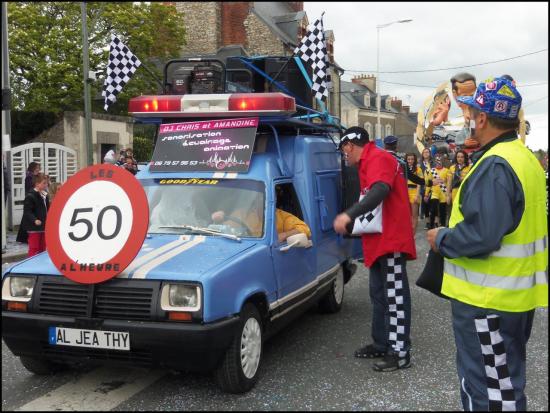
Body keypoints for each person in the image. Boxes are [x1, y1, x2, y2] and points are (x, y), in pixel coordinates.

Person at [427, 77, 547, 411]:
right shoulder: (523, 159)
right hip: (511, 299)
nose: (468, 119)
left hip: (487, 301)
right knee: (503, 386)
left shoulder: (495, 165)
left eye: (472, 113)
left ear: (482, 118)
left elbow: (483, 235)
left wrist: (443, 238)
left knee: (488, 392)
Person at [333, 126, 416, 372]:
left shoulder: (378, 157)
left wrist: (348, 215)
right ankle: (381, 343)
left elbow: (380, 190)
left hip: (390, 240)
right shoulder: (369, 161)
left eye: (343, 150)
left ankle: (400, 353)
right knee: (379, 296)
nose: (344, 155)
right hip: (380, 240)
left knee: (395, 298)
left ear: (350, 145)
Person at [21, 173, 50, 257]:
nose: (46, 185)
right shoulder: (30, 196)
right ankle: (32, 265)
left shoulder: (45, 195)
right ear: (37, 184)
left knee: (43, 248)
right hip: (34, 227)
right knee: (34, 248)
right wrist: (35, 220)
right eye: (44, 183)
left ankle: (41, 264)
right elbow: (27, 212)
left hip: (43, 225)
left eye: (47, 183)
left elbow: (47, 209)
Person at [428, 153, 450, 228]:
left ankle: (443, 225)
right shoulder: (432, 171)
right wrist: (426, 193)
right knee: (433, 209)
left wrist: (448, 194)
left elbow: (449, 182)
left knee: (443, 211)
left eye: (440, 161)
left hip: (444, 193)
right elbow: (429, 183)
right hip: (434, 192)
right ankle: (431, 225)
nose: (438, 162)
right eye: (437, 161)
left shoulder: (447, 170)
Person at [405, 153, 423, 233]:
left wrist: (417, 194)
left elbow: (419, 182)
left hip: (414, 191)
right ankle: (407, 232)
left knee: (414, 215)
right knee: (406, 215)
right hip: (405, 191)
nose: (410, 161)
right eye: (408, 159)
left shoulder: (418, 169)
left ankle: (413, 233)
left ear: (414, 160)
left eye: (412, 159)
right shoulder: (404, 168)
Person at [419, 148, 433, 227]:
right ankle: (427, 222)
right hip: (423, 186)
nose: (426, 153)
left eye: (427, 152)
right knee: (426, 204)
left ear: (430, 153)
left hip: (433, 185)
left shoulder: (433, 163)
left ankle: (434, 221)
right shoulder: (420, 164)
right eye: (424, 152)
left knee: (433, 204)